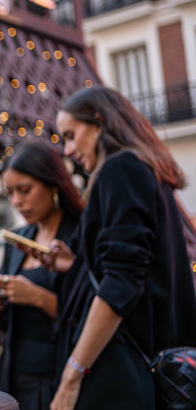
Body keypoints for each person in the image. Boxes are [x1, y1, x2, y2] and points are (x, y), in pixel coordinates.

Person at [46, 85, 196, 409]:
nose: (68, 149)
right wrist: (75, 262)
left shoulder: (120, 169)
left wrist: (72, 375)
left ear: (99, 124)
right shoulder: (143, 170)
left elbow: (123, 281)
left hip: (120, 370)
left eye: (71, 135)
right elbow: (140, 271)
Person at [0, 141, 83, 410]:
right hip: (13, 375)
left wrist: (37, 297)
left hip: (60, 376)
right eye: (10, 193)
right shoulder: (19, 239)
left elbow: (93, 314)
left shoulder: (79, 236)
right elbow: (4, 323)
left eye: (25, 191)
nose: (17, 202)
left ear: (53, 184)